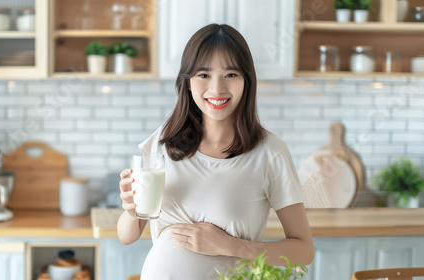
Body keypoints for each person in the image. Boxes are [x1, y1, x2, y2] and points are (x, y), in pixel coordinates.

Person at [117, 23, 314, 279]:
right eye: (203, 75)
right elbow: (127, 236)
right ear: (187, 82)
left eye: (231, 74)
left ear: (247, 82)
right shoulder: (164, 142)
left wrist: (231, 246)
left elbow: (304, 250)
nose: (217, 88)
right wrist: (131, 212)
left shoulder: (269, 152)